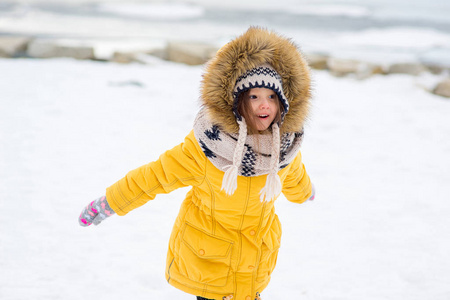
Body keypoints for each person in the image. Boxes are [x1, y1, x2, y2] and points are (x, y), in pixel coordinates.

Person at [79, 27, 315, 300]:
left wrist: (305, 193)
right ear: (237, 102)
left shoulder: (282, 150)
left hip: (255, 262)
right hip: (209, 264)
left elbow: (294, 176)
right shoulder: (207, 147)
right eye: (254, 96)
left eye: (271, 97)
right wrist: (111, 201)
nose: (264, 105)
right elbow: (155, 176)